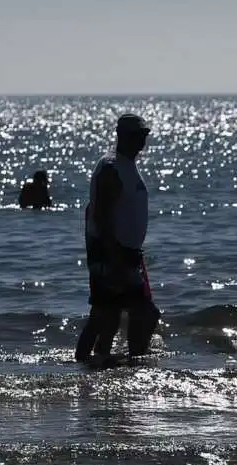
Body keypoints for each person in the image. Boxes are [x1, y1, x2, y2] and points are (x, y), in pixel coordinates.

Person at [74, 113, 161, 365]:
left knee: (110, 315)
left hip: (128, 253)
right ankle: (119, 360)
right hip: (112, 253)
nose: (141, 141)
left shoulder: (128, 165)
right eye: (136, 136)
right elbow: (100, 216)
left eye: (143, 136)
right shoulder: (111, 168)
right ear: (120, 136)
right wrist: (113, 257)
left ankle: (105, 360)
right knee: (121, 314)